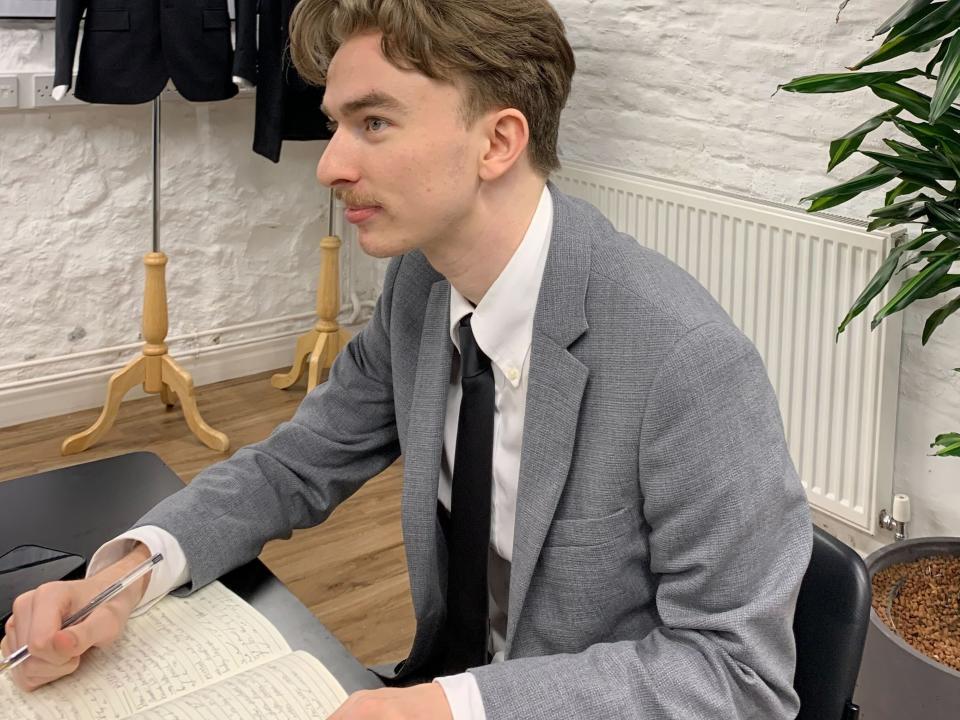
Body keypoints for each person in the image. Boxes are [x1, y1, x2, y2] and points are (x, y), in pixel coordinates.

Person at [2, 1, 813, 718]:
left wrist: (459, 709)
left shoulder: (687, 360)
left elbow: (737, 675)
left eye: (375, 123)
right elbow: (294, 466)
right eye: (338, 122)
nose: (329, 164)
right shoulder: (421, 288)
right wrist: (126, 572)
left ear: (498, 140)